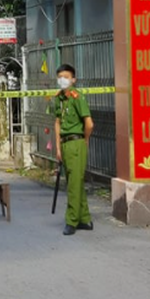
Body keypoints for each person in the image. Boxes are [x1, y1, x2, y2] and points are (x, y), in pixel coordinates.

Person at [54, 64, 94, 236]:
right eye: (60, 77)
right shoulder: (59, 98)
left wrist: (85, 139)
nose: (63, 80)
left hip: (76, 142)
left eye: (66, 77)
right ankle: (84, 219)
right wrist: (58, 147)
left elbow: (89, 123)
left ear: (73, 79)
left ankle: (71, 221)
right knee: (74, 180)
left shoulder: (78, 97)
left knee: (73, 184)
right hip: (64, 143)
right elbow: (57, 123)